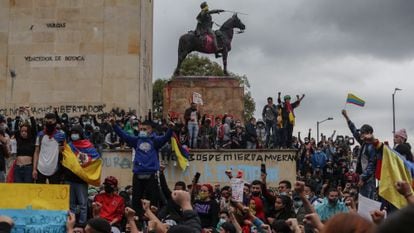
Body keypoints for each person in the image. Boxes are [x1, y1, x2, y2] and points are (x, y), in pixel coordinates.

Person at [111, 117, 174, 216]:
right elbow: (124, 135)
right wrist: (114, 125)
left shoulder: (155, 141)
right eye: (140, 129)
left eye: (145, 129)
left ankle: (152, 221)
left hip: (151, 174)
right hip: (138, 174)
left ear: (150, 130)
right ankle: (138, 220)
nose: (142, 131)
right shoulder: (136, 140)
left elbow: (165, 138)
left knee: (152, 200)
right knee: (136, 200)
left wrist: (170, 129)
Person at [63, 124, 101, 226]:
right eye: (72, 133)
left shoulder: (88, 146)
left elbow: (95, 159)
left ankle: (82, 224)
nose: (74, 135)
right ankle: (72, 223)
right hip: (69, 178)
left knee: (83, 204)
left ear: (80, 134)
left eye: (76, 133)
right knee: (71, 204)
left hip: (81, 180)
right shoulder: (68, 146)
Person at [341, 109, 377, 199]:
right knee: (362, 201)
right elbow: (354, 130)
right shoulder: (364, 143)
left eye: (362, 132)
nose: (360, 134)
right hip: (362, 178)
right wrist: (346, 117)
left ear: (369, 133)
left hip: (368, 180)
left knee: (367, 202)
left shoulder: (372, 146)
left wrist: (363, 178)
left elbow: (372, 165)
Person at [33, 113, 66, 184]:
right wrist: (34, 169)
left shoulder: (61, 135)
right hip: (40, 169)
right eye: (47, 122)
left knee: (55, 193)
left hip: (55, 170)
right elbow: (36, 152)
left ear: (55, 122)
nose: (49, 124)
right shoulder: (40, 135)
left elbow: (64, 151)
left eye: (51, 122)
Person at [13, 107, 37, 183]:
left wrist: (29, 111)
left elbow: (34, 125)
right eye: (22, 131)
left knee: (28, 189)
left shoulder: (32, 139)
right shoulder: (18, 139)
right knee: (18, 189)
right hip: (17, 168)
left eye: (25, 131)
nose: (23, 132)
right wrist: (18, 113)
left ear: (29, 132)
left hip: (28, 168)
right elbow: (15, 127)